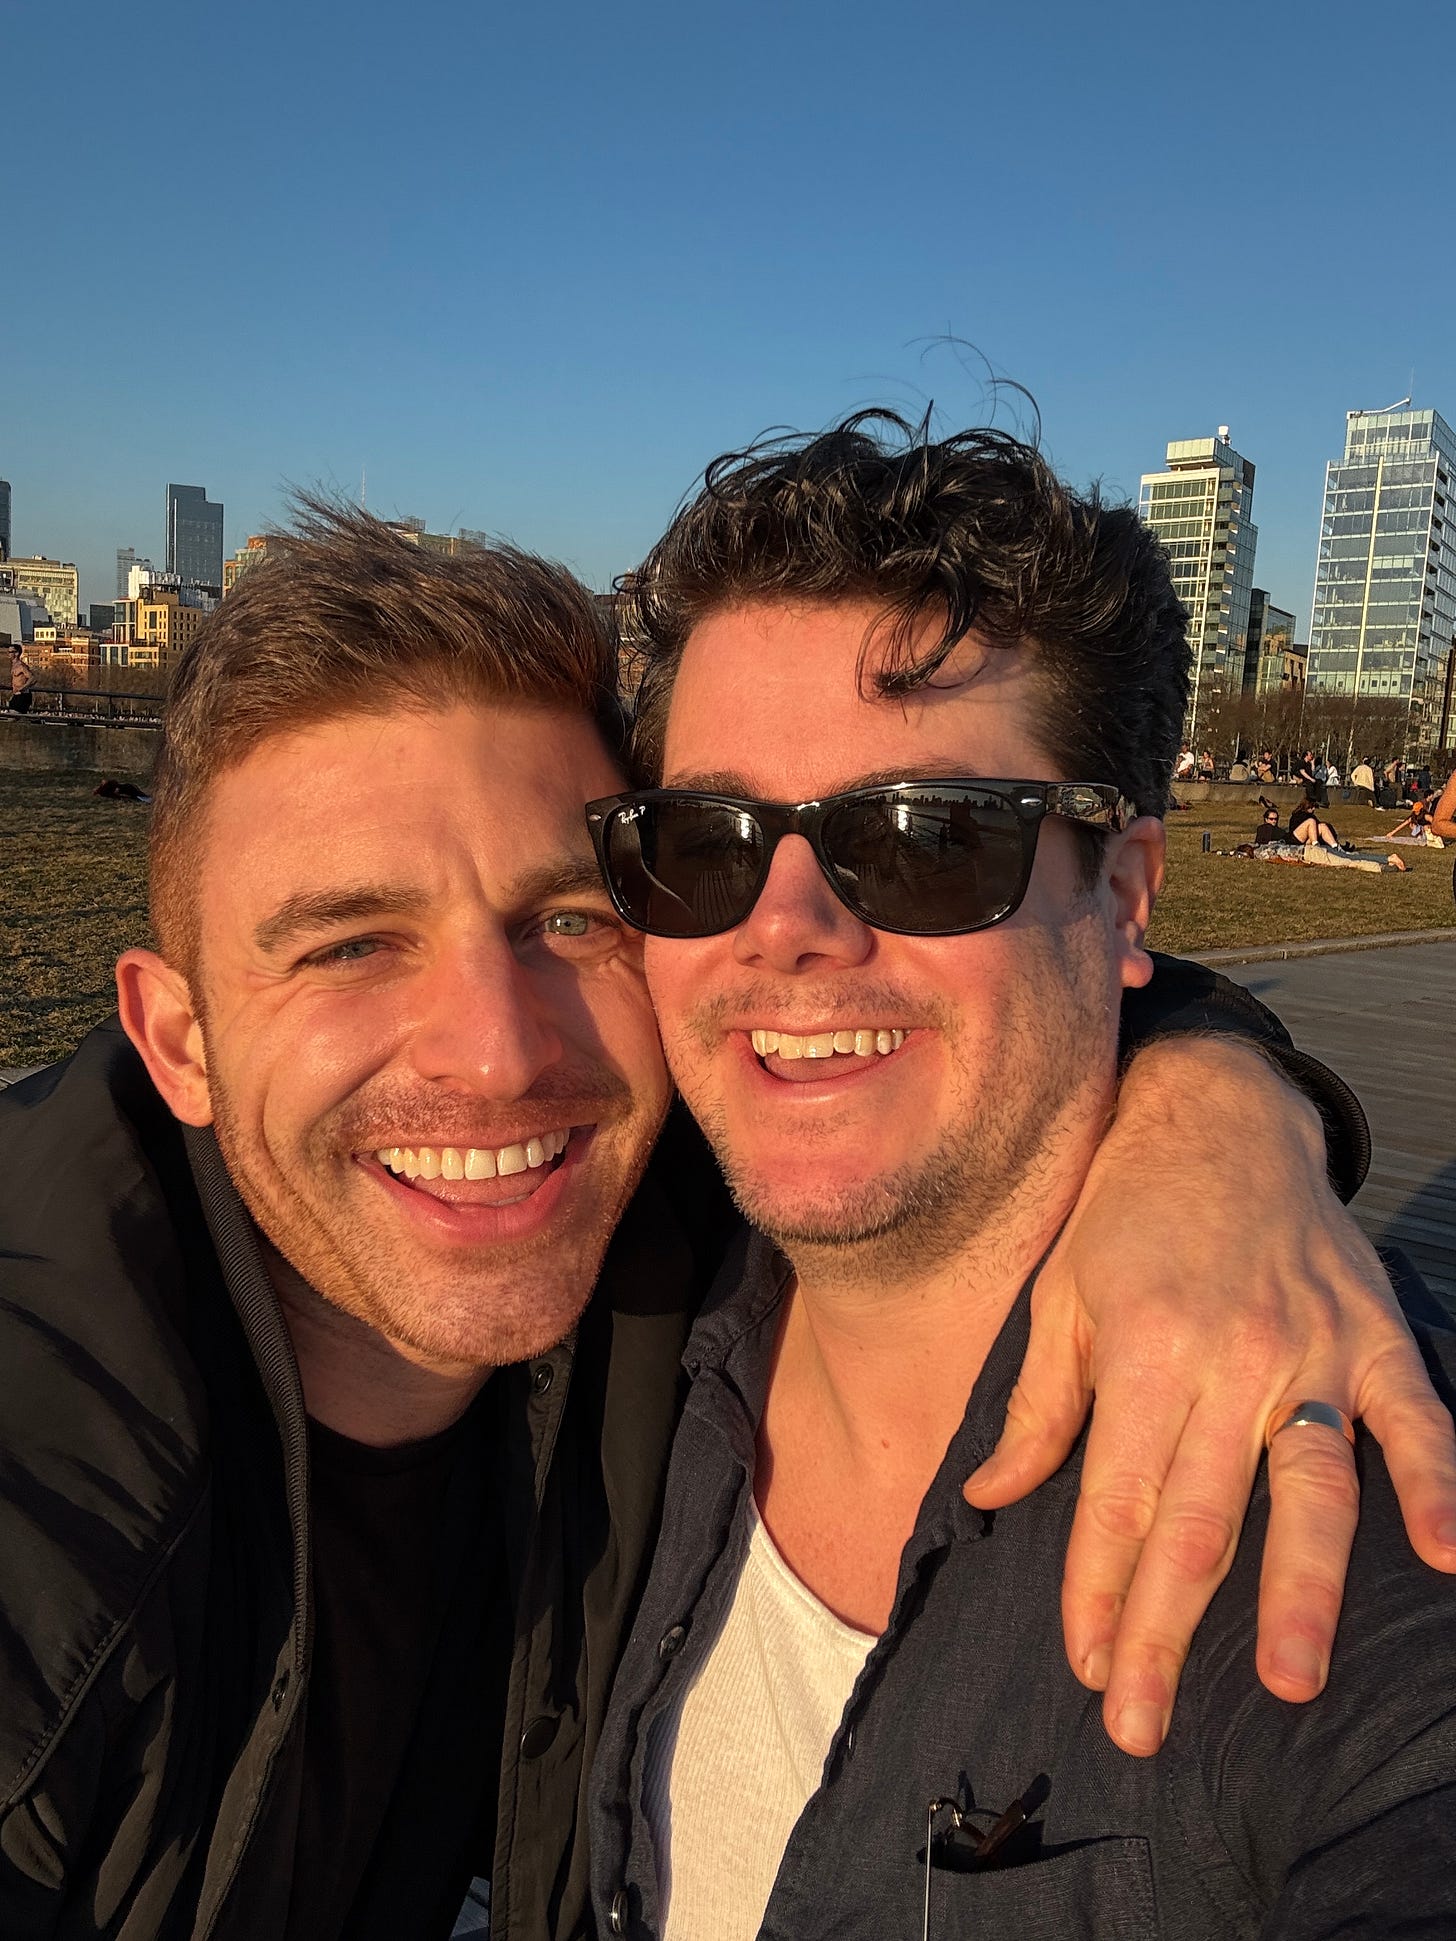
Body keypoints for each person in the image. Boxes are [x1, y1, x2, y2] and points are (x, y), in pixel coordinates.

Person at [2, 508, 1450, 1940]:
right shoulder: (59, 1506)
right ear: (175, 1038)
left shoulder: (676, 1214)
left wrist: (1216, 1109)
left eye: (927, 836)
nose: (495, 1056)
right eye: (351, 946)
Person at [588, 416, 1456, 1938]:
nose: (783, 927)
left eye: (922, 837)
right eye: (707, 839)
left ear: (1124, 896)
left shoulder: (1345, 1521)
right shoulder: (605, 1287)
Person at [7, 641, 36, 713]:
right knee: (12, 715)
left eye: (10, 652)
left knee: (14, 716)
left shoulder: (21, 666)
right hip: (16, 695)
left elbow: (33, 678)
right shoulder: (14, 665)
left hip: (23, 695)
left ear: (16, 653)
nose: (9, 654)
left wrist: (23, 688)